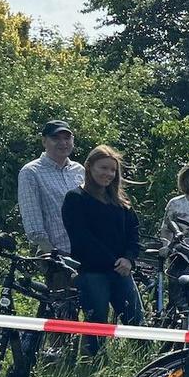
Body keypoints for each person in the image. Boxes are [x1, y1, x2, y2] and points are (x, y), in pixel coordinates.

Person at [61, 145, 144, 355]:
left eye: (112, 170)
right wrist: (114, 262)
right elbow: (82, 239)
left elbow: (134, 233)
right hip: (92, 273)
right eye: (103, 168)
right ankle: (94, 368)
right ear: (89, 167)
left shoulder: (121, 202)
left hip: (122, 271)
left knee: (136, 320)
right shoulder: (75, 199)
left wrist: (128, 259)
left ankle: (146, 365)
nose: (108, 174)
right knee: (97, 323)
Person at [17, 120, 82, 255]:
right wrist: (52, 254)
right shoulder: (31, 172)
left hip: (88, 250)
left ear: (73, 140)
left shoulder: (79, 170)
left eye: (66, 138)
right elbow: (32, 217)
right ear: (44, 141)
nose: (63, 143)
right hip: (57, 253)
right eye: (55, 138)